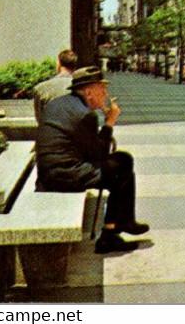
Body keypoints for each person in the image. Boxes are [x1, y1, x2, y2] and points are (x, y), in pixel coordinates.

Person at [36, 66, 149, 254]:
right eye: (102, 89)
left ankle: (121, 224)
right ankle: (111, 234)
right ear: (88, 92)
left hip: (52, 169)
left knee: (122, 162)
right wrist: (110, 122)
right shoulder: (84, 115)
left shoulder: (61, 103)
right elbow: (99, 154)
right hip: (65, 174)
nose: (106, 94)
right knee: (121, 171)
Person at [33, 49, 78, 122]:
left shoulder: (41, 88)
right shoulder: (83, 87)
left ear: (59, 64)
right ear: (75, 66)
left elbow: (39, 119)